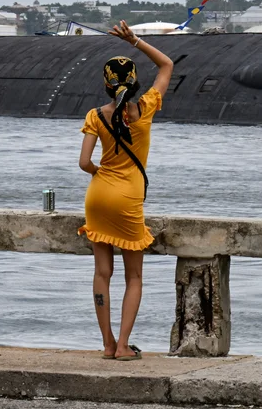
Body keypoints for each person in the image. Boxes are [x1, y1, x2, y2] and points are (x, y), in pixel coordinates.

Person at [77, 20, 174, 361]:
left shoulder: (95, 115)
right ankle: (122, 347)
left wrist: (101, 174)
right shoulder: (144, 110)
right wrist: (135, 41)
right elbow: (167, 65)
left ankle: (106, 343)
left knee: (102, 273)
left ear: (106, 85)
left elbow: (84, 163)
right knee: (133, 276)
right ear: (134, 84)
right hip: (128, 201)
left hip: (98, 196)